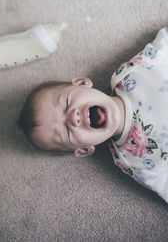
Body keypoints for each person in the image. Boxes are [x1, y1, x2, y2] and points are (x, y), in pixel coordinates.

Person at [18, 27, 168, 203]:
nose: (73, 118)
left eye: (66, 103)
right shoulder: (129, 161)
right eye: (66, 131)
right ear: (83, 149)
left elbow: (162, 47)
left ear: (82, 83)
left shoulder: (128, 75)